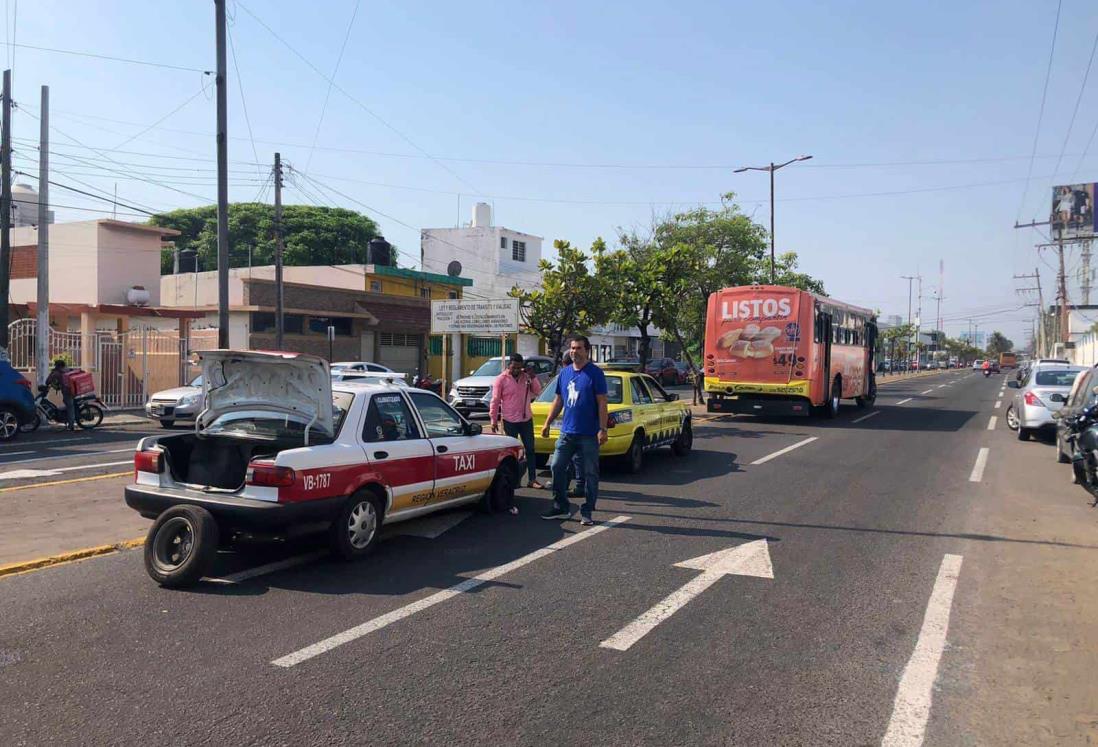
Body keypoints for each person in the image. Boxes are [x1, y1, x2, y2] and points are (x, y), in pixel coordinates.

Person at [540, 336, 608, 525]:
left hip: (588, 434)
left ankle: (587, 510)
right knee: (556, 466)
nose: (574, 351)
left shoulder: (595, 374)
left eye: (578, 348)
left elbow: (602, 402)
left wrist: (603, 429)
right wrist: (547, 423)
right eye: (572, 348)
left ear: (587, 351)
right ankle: (561, 506)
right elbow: (559, 400)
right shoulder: (565, 373)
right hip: (567, 432)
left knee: (590, 473)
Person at [490, 353, 544, 501]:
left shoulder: (526, 378)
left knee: (530, 449)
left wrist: (533, 377)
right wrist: (493, 420)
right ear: (509, 365)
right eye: (514, 367)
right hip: (509, 420)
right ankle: (514, 481)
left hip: (526, 419)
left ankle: (532, 479)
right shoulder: (501, 379)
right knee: (512, 453)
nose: (517, 370)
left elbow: (538, 391)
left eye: (519, 368)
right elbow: (495, 401)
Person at [45, 358, 76, 430]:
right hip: (74, 390)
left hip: (67, 392)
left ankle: (71, 426)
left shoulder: (57, 373)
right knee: (69, 405)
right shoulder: (68, 370)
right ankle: (67, 420)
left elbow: (47, 381)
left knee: (70, 407)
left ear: (57, 366)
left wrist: (52, 372)